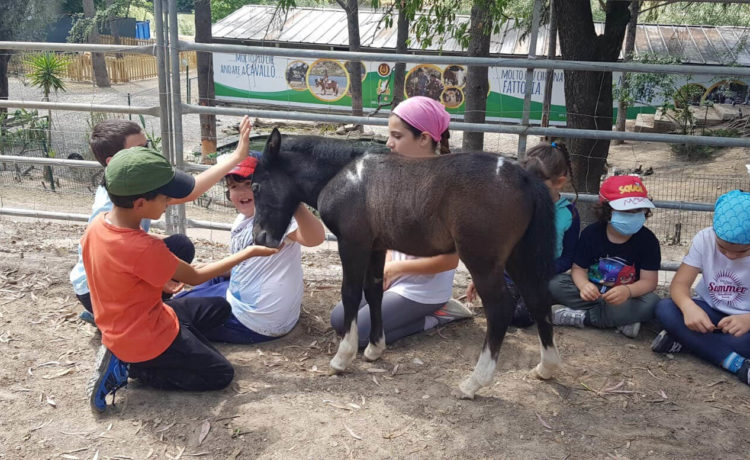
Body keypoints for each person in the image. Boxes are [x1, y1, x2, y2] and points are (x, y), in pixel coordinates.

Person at [83, 146, 279, 413]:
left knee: (221, 308)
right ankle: (134, 368)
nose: (169, 202)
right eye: (166, 197)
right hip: (145, 339)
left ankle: (153, 347)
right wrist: (249, 252)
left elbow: (122, 271)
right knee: (220, 375)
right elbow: (196, 276)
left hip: (144, 317)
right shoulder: (144, 248)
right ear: (140, 203)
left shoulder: (100, 223)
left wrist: (158, 281)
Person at [70, 117, 255, 325]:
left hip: (115, 274)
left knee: (178, 245)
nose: (149, 153)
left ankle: (147, 306)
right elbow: (106, 254)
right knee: (208, 305)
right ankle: (127, 316)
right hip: (98, 290)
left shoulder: (129, 189)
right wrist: (237, 156)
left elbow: (126, 241)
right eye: (139, 149)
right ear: (113, 162)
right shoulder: (111, 204)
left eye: (147, 146)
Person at [330, 96, 472, 347]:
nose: (389, 143)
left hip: (423, 291)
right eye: (390, 135)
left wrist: (396, 270)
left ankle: (439, 315)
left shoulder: (446, 190)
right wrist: (382, 271)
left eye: (397, 136)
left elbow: (450, 259)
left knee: (363, 336)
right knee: (339, 320)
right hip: (392, 276)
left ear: (424, 139)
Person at [175, 155, 326, 343]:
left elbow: (315, 239)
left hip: (255, 322)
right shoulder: (243, 219)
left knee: (173, 314)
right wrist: (203, 269)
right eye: (234, 187)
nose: (242, 192)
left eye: (249, 184)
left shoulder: (277, 217)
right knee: (209, 276)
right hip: (246, 300)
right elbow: (240, 265)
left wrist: (294, 202)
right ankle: (183, 301)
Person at [465, 142, 580, 327]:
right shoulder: (513, 207)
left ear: (559, 182)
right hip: (510, 275)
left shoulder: (569, 214)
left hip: (542, 277)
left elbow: (568, 256)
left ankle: (549, 304)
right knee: (497, 312)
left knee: (522, 318)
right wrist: (482, 278)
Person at [653, 190, 750, 386]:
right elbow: (679, 285)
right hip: (709, 310)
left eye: (742, 251)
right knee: (665, 308)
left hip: (745, 320)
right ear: (714, 231)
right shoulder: (704, 238)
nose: (730, 256)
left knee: (741, 342)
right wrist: (688, 306)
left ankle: (687, 343)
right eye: (722, 248)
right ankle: (737, 364)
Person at [549, 175, 661, 338]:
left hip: (625, 298)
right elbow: (579, 268)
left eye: (638, 210)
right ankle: (621, 321)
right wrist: (584, 285)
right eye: (625, 211)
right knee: (554, 283)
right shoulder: (591, 234)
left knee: (652, 303)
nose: (633, 215)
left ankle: (583, 317)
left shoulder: (648, 241)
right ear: (606, 211)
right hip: (592, 294)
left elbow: (649, 282)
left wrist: (627, 291)